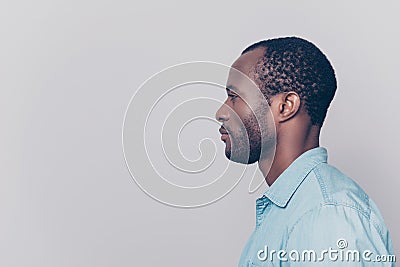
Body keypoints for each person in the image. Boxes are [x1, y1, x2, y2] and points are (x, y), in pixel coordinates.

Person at [215, 37, 394, 266]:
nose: (221, 112)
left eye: (234, 98)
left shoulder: (326, 216)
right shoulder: (296, 211)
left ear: (285, 106)